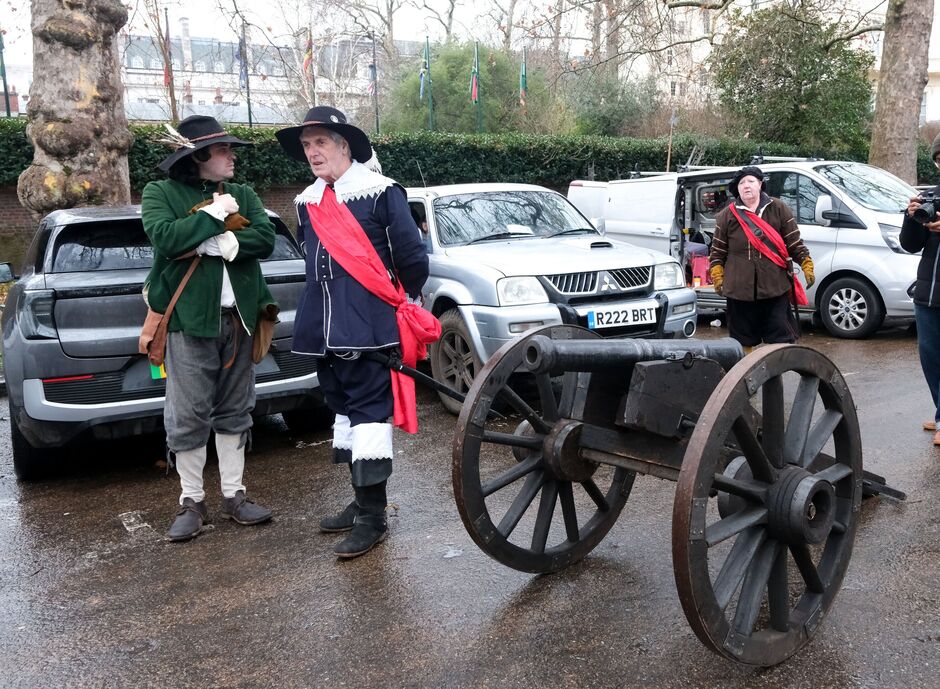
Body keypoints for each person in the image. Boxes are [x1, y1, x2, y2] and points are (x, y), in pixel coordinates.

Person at [275, 106, 434, 559]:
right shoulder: (308, 201)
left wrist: (398, 304)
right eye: (307, 146)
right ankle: (360, 498)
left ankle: (372, 517)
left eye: (320, 142)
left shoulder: (381, 193)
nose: (312, 152)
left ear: (344, 146)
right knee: (342, 408)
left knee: (367, 413)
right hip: (323, 326)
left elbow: (412, 258)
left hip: (368, 324)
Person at [143, 115, 277, 541]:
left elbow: (266, 239)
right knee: (187, 413)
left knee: (236, 408)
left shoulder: (243, 193)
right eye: (223, 150)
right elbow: (165, 238)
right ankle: (191, 501)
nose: (232, 156)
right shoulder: (159, 192)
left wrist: (223, 242)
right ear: (198, 156)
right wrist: (217, 215)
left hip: (238, 319)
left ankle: (234, 495)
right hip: (188, 322)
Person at [708, 165, 814, 348]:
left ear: (760, 184)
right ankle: (750, 376)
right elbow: (717, 252)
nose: (746, 186)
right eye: (742, 183)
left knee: (780, 339)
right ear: (737, 189)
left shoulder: (779, 208)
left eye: (751, 181)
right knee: (742, 342)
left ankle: (775, 375)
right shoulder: (726, 216)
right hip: (738, 290)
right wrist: (718, 276)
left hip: (775, 287)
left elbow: (794, 243)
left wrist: (806, 263)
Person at [900, 133, 940, 445]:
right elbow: (910, 245)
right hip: (928, 294)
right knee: (930, 357)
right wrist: (912, 219)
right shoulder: (931, 197)